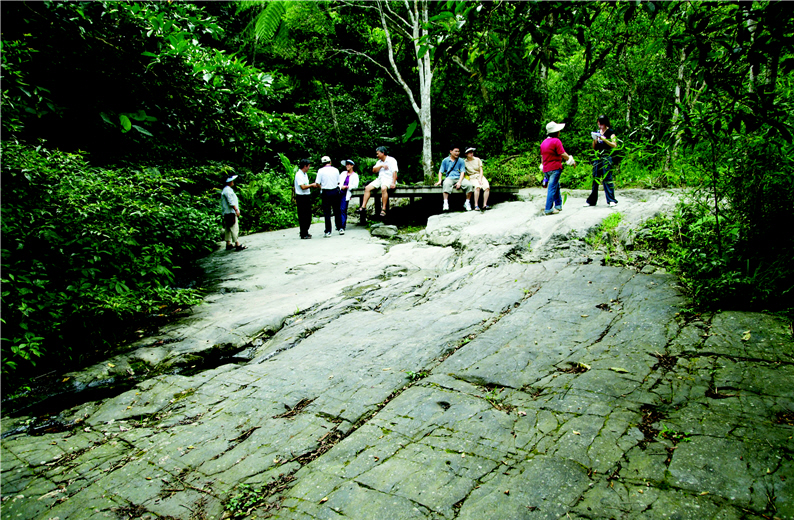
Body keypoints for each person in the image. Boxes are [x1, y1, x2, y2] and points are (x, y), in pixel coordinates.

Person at [540, 121, 576, 216]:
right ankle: (548, 209)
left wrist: (543, 166)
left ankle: (558, 205)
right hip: (555, 168)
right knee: (552, 187)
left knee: (556, 186)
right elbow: (562, 153)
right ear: (556, 132)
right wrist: (571, 161)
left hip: (546, 169)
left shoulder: (543, 143)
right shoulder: (556, 141)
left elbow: (542, 157)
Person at [584, 114, 619, 207]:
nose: (600, 126)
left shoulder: (611, 132)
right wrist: (595, 140)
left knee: (607, 178)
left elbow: (614, 145)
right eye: (599, 124)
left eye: (601, 124)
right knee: (595, 178)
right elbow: (594, 147)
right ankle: (592, 201)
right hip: (598, 157)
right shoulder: (597, 132)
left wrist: (605, 140)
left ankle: (611, 200)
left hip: (606, 156)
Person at [360, 146, 398, 218]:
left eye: (378, 153)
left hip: (389, 179)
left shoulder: (392, 160)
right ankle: (363, 207)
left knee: (383, 188)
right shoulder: (379, 162)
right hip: (380, 179)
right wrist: (381, 166)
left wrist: (393, 182)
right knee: (367, 188)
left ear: (382, 153)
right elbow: (374, 170)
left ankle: (383, 209)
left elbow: (394, 172)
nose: (377, 155)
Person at [435, 145, 474, 211]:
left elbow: (462, 172)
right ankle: (445, 203)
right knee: (446, 184)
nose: (457, 153)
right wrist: (439, 180)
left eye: (458, 151)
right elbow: (440, 171)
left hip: (459, 177)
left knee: (469, 185)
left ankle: (467, 203)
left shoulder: (461, 161)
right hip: (449, 177)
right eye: (455, 151)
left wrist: (459, 182)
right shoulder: (445, 160)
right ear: (451, 151)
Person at [315, 155, 343, 237]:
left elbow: (317, 183)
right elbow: (338, 182)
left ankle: (328, 231)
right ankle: (340, 228)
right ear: (330, 162)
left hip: (326, 192)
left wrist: (321, 187)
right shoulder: (335, 170)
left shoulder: (320, 171)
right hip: (335, 191)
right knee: (337, 210)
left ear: (322, 163)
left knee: (327, 212)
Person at [221, 172, 247, 250]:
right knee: (234, 228)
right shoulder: (227, 191)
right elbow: (231, 201)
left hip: (227, 212)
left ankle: (228, 243)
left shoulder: (226, 190)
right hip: (230, 212)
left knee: (228, 228)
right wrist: (236, 210)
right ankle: (237, 244)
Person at [294, 158, 318, 239]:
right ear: (305, 166)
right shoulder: (299, 175)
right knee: (303, 215)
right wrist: (311, 185)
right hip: (301, 196)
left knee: (308, 215)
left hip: (306, 195)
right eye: (308, 166)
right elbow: (303, 186)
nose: (309, 168)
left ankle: (306, 231)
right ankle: (303, 233)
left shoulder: (305, 174)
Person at [338, 159, 359, 231]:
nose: (347, 166)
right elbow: (338, 182)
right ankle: (338, 224)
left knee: (343, 209)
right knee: (338, 209)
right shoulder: (343, 173)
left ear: (352, 165)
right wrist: (341, 186)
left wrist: (347, 187)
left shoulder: (355, 175)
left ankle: (342, 226)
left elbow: (355, 185)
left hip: (346, 193)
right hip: (339, 192)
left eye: (349, 164)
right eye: (346, 164)